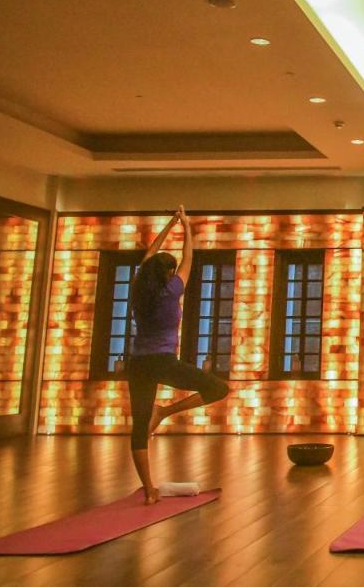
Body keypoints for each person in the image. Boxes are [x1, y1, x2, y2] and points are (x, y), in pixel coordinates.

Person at [127, 206, 229, 504]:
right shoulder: (170, 290)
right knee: (218, 388)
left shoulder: (138, 289)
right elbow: (189, 258)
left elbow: (149, 255)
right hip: (163, 361)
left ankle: (149, 491)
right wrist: (185, 225)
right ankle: (165, 412)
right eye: (171, 270)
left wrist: (169, 224)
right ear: (168, 274)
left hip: (139, 364)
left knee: (139, 426)